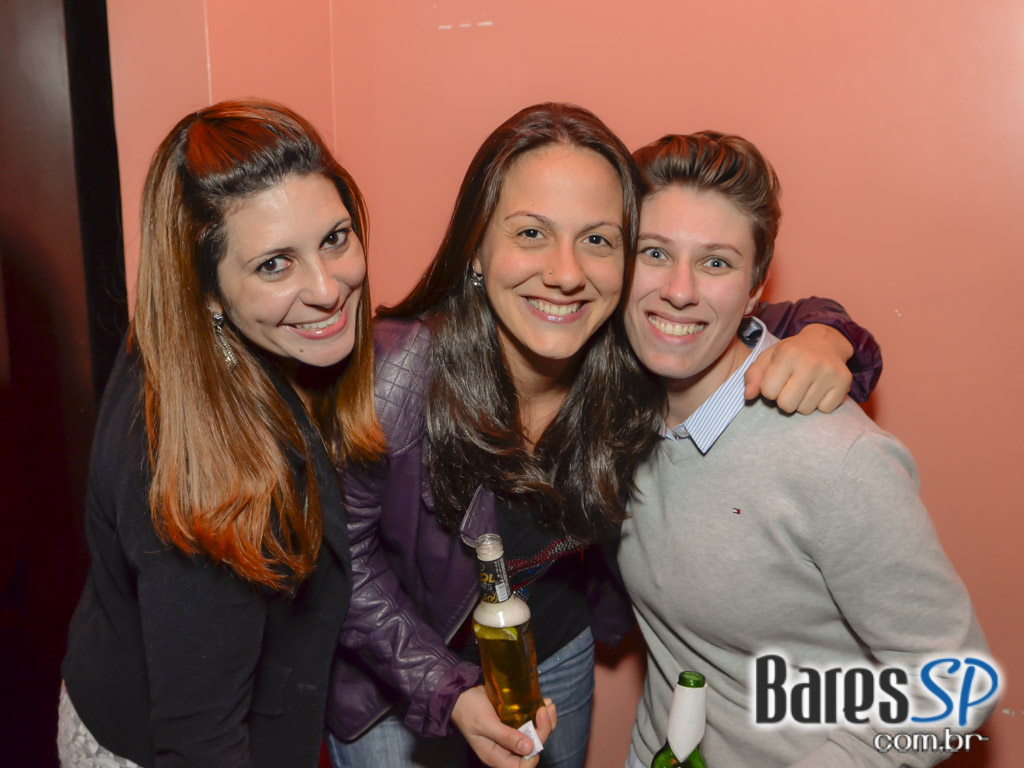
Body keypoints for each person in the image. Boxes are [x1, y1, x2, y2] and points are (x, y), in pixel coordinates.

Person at [326, 103, 883, 768]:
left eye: (596, 240)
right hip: (400, 676)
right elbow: (345, 561)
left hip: (554, 650)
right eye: (531, 233)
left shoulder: (632, 351)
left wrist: (828, 335)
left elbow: (738, 311)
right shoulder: (397, 371)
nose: (566, 274)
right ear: (476, 246)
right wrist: (446, 689)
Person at [617, 131, 993, 767]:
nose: (679, 289)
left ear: (755, 287)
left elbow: (955, 687)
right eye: (654, 252)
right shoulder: (614, 409)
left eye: (716, 263)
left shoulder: (834, 458)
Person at [59, 99, 383, 767]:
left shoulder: (186, 337)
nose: (328, 289)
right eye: (274, 265)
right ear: (205, 291)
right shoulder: (207, 476)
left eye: (334, 238)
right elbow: (200, 742)